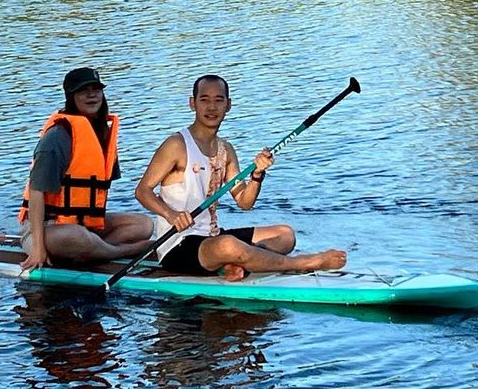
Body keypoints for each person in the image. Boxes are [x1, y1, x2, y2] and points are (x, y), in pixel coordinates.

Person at [134, 74, 347, 280]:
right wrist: (171, 215)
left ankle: (241, 261)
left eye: (219, 100)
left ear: (228, 105)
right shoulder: (176, 145)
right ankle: (303, 263)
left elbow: (244, 202)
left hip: (211, 237)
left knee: (285, 235)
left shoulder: (225, 150)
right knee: (228, 245)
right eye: (204, 100)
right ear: (192, 103)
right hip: (178, 244)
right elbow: (142, 191)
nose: (211, 107)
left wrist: (256, 174)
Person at [19, 66, 154, 271]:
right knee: (78, 237)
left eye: (96, 89)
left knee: (144, 225)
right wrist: (38, 248)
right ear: (71, 96)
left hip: (83, 224)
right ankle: (121, 251)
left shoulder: (101, 133)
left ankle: (93, 251)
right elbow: (37, 191)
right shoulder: (58, 136)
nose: (92, 95)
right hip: (45, 229)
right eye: (84, 90)